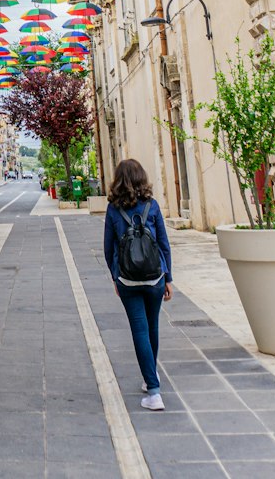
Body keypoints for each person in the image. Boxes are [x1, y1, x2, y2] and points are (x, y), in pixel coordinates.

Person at [103, 158, 173, 411]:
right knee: (152, 328)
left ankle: (153, 391)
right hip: (155, 277)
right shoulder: (152, 206)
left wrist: (114, 276)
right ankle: (149, 380)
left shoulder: (113, 209)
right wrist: (168, 277)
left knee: (140, 330)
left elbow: (108, 247)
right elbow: (164, 244)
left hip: (127, 280)